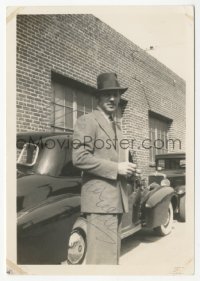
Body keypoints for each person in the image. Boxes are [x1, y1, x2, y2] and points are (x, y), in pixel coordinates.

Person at [72, 73, 137, 264]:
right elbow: (79, 157)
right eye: (107, 94)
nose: (112, 99)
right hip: (100, 203)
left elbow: (119, 161)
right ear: (97, 98)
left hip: (116, 201)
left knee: (111, 259)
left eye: (116, 95)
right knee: (101, 262)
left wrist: (131, 171)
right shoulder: (87, 121)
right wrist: (117, 168)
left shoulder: (118, 128)